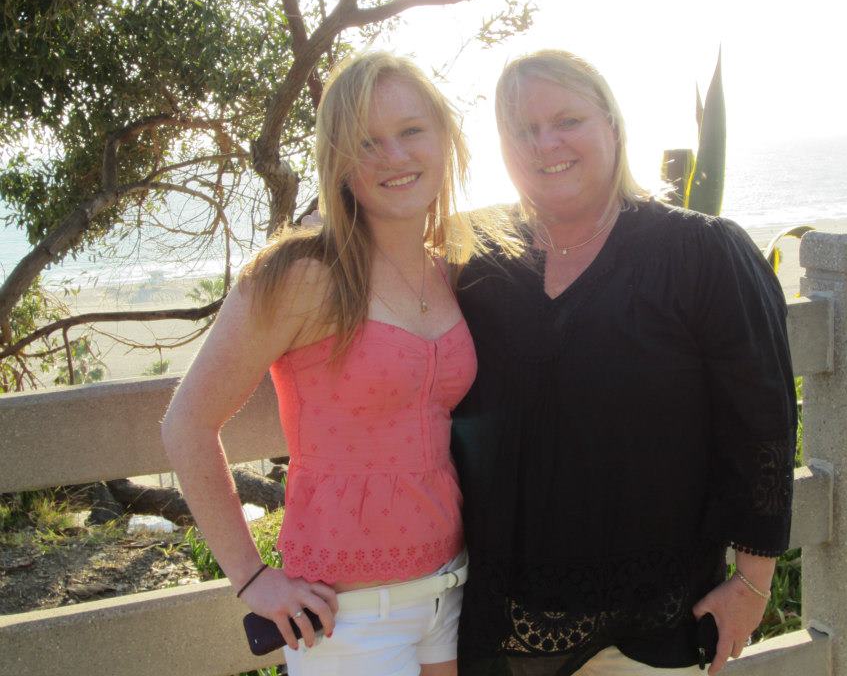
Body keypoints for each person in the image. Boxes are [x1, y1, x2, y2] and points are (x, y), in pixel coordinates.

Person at [451, 50, 797, 676]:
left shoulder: (700, 253)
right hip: (501, 628)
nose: (546, 143)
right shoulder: (479, 264)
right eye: (523, 130)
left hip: (653, 627)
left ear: (612, 124)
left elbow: (763, 421)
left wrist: (752, 584)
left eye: (567, 120)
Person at [161, 51, 489, 676]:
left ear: (445, 138)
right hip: (347, 617)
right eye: (367, 142)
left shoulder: (448, 269)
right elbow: (188, 424)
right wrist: (251, 577)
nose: (394, 156)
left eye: (411, 131)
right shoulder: (303, 274)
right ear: (336, 160)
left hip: (450, 591)